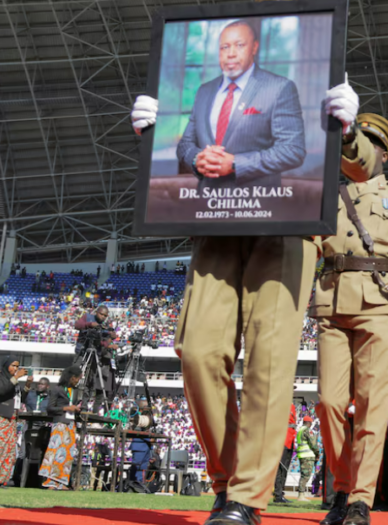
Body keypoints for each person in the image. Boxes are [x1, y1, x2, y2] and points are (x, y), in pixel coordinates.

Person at [131, 68, 358, 525]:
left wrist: (346, 132)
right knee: (196, 352)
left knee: (268, 363)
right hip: (217, 223)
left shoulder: (306, 71)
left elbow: (361, 166)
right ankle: (228, 477)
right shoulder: (209, 89)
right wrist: (157, 135)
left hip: (287, 224)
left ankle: (244, 497)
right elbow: (186, 152)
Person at [312, 111, 388, 525]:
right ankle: (341, 488)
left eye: (371, 145)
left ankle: (359, 499)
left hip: (378, 303)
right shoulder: (328, 192)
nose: (362, 152)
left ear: (383, 154)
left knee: (373, 406)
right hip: (330, 300)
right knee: (328, 404)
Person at [173, 19, 304, 192]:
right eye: (224, 47)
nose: (231, 53)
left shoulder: (279, 88)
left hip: (257, 206)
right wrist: (196, 159)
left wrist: (235, 164)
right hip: (207, 205)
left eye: (239, 45)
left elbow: (292, 150)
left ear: (254, 48)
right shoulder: (204, 91)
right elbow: (185, 145)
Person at [40, 365, 82, 490]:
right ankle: (50, 481)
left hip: (71, 424)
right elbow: (50, 408)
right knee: (54, 451)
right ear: (72, 377)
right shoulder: (57, 389)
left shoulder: (76, 391)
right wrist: (66, 408)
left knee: (68, 454)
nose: (78, 381)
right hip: (59, 423)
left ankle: (62, 481)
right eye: (77, 378)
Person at [0, 357, 29, 486]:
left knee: (9, 449)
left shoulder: (14, 382)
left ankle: (0, 479)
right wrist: (16, 378)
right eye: (13, 365)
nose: (15, 368)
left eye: (17, 366)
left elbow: (19, 399)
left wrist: (27, 387)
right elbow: (2, 391)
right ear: (6, 365)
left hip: (12, 418)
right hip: (1, 417)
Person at [74, 305, 115, 413]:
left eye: (105, 316)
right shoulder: (87, 317)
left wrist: (109, 339)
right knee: (74, 375)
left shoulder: (104, 326)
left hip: (94, 353)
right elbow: (77, 325)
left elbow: (102, 343)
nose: (103, 317)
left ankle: (84, 404)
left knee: (90, 379)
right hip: (82, 352)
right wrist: (90, 325)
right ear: (97, 312)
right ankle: (72, 402)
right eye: (101, 314)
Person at [273, 403, 297, 504]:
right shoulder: (281, 403)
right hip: (283, 438)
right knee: (280, 468)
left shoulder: (292, 405)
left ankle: (280, 493)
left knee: (285, 468)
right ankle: (277, 495)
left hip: (290, 438)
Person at [296, 416, 319, 502]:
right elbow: (312, 443)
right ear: (309, 423)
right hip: (307, 455)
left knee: (303, 475)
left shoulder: (300, 430)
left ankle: (301, 494)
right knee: (305, 476)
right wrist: (317, 453)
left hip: (302, 455)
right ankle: (301, 495)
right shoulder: (307, 430)